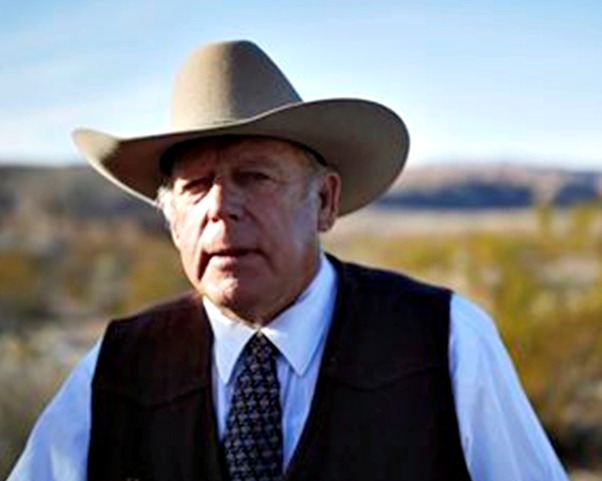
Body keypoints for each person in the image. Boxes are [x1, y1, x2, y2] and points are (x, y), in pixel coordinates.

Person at [8, 40, 569, 481]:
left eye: (254, 177)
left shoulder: (444, 340)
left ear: (323, 201)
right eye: (196, 187)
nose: (221, 209)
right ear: (171, 219)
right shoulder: (118, 366)